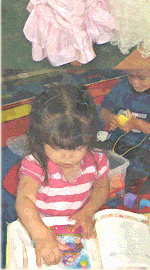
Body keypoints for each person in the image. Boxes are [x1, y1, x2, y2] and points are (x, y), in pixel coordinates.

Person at [16, 83, 110, 266]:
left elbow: (102, 186)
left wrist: (88, 211)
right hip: (39, 222)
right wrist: (41, 236)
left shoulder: (97, 160)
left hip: (78, 220)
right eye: (57, 147)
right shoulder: (35, 164)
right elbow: (24, 199)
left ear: (90, 138)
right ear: (40, 139)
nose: (67, 155)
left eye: (77, 147)